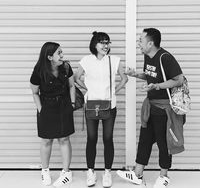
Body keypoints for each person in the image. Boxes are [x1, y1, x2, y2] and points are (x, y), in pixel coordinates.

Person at [117, 28, 185, 188]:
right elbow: (150, 75)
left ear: (150, 43)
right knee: (145, 140)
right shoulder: (147, 56)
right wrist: (136, 75)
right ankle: (138, 174)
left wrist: (157, 86)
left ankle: (164, 176)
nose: (138, 43)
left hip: (165, 109)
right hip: (151, 106)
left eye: (141, 40)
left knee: (164, 143)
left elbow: (179, 79)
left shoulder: (165, 58)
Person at [75, 31, 128, 187]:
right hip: (91, 104)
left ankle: (107, 173)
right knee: (91, 139)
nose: (106, 46)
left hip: (109, 105)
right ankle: (90, 172)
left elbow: (124, 78)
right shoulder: (86, 60)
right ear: (95, 44)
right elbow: (76, 78)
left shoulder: (114, 60)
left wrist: (113, 91)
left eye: (107, 42)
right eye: (102, 42)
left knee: (107, 138)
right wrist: (88, 89)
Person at [30, 42, 75, 187]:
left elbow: (72, 85)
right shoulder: (38, 71)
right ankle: (45, 171)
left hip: (64, 105)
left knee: (64, 139)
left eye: (62, 52)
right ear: (50, 57)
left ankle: (66, 172)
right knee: (46, 140)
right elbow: (35, 92)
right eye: (59, 53)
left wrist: (72, 104)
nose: (62, 55)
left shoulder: (66, 67)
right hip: (46, 107)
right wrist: (41, 109)